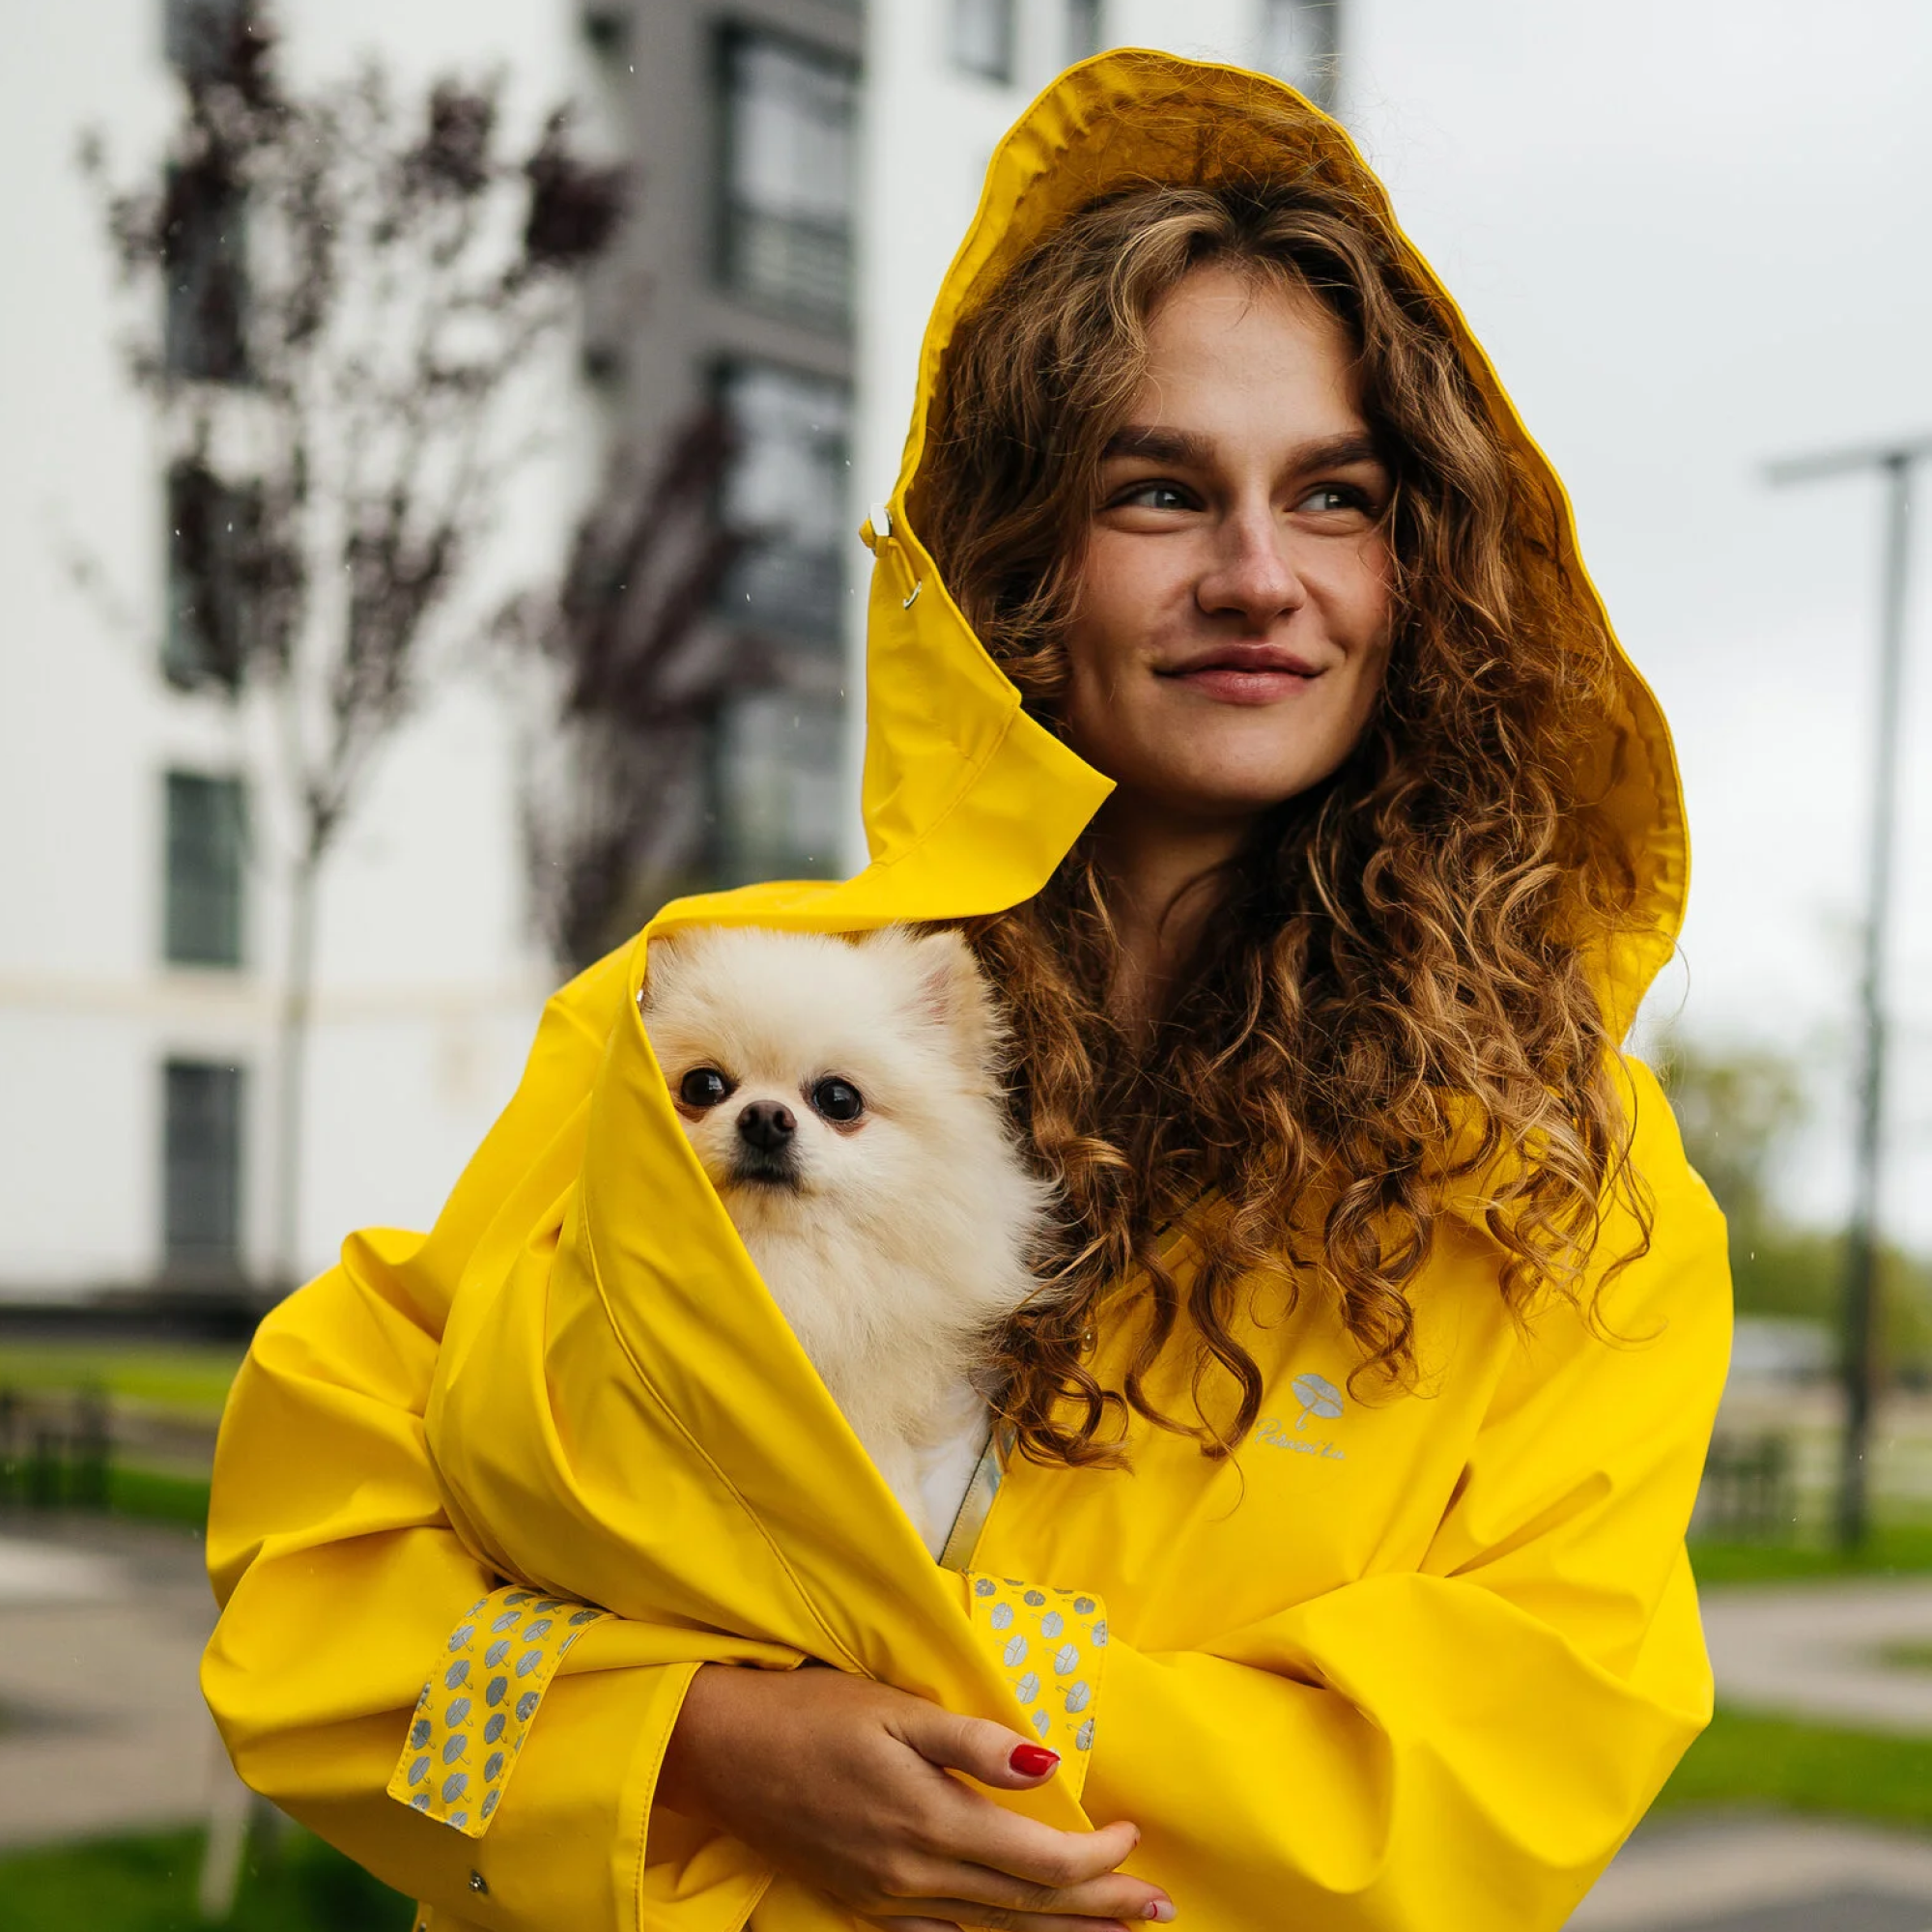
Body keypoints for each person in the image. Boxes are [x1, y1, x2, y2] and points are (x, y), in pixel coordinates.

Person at [202, 49, 1731, 1932]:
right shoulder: (709, 1013)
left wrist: (959, 1738)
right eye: (1161, 491)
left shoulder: (1569, 1177)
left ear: (1423, 572)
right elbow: (313, 1601)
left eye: (1332, 497)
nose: (1258, 575)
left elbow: (1504, 1778)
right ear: (1015, 564)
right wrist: (686, 1741)